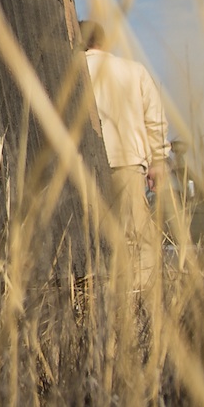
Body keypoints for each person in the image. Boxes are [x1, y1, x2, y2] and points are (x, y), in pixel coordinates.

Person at [81, 20, 169, 292]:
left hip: (83, 163)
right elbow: (155, 120)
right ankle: (138, 295)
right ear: (104, 42)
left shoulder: (72, 70)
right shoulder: (135, 71)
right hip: (128, 160)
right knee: (139, 235)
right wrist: (159, 161)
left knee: (91, 232)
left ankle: (97, 294)